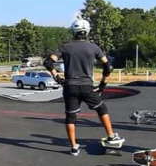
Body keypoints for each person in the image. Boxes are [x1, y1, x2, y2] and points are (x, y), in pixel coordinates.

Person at [45, 17, 124, 156]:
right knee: (101, 108)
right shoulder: (93, 47)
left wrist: (56, 76)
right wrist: (103, 84)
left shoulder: (65, 46)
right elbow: (108, 66)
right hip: (87, 86)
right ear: (87, 32)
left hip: (70, 87)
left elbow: (48, 62)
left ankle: (74, 147)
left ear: (73, 31)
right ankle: (111, 136)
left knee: (70, 117)